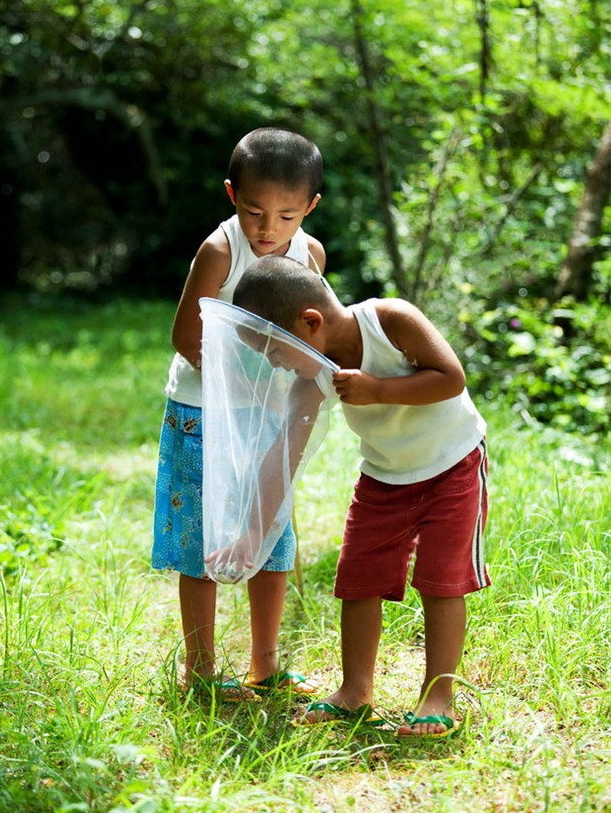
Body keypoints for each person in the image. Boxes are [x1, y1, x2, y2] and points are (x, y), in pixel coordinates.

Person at [232, 255, 489, 736]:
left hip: (452, 464)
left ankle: (438, 695)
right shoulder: (316, 376)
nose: (277, 364)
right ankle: (355, 691)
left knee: (441, 581)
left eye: (275, 351)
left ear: (309, 324)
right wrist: (250, 529)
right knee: (358, 577)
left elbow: (451, 377)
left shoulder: (391, 320)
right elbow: (285, 450)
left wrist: (378, 389)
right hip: (384, 476)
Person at [152, 128, 325, 700]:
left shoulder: (310, 256)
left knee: (270, 535)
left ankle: (265, 663)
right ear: (232, 196)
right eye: (254, 211)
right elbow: (185, 335)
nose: (268, 229)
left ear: (310, 208)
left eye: (286, 215)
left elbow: (310, 338)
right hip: (204, 414)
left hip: (269, 420)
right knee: (204, 539)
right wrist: (243, 378)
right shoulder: (220, 252)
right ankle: (200, 669)